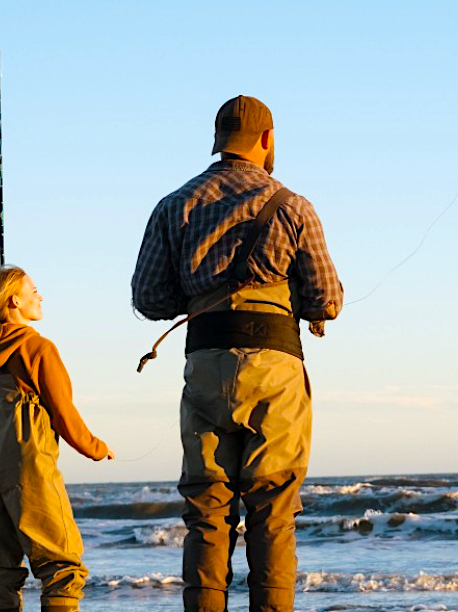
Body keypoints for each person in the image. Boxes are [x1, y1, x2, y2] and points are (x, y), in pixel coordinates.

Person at [132, 95, 342, 612]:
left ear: (218, 138)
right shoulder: (293, 205)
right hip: (274, 368)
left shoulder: (174, 205)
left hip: (205, 363)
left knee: (206, 509)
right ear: (267, 140)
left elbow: (148, 298)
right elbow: (327, 300)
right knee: (273, 510)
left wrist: (200, 295)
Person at [0, 266, 115, 612]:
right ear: (14, 301)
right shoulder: (38, 348)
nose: (41, 297)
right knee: (62, 565)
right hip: (27, 465)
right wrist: (96, 448)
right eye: (34, 291)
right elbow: (62, 413)